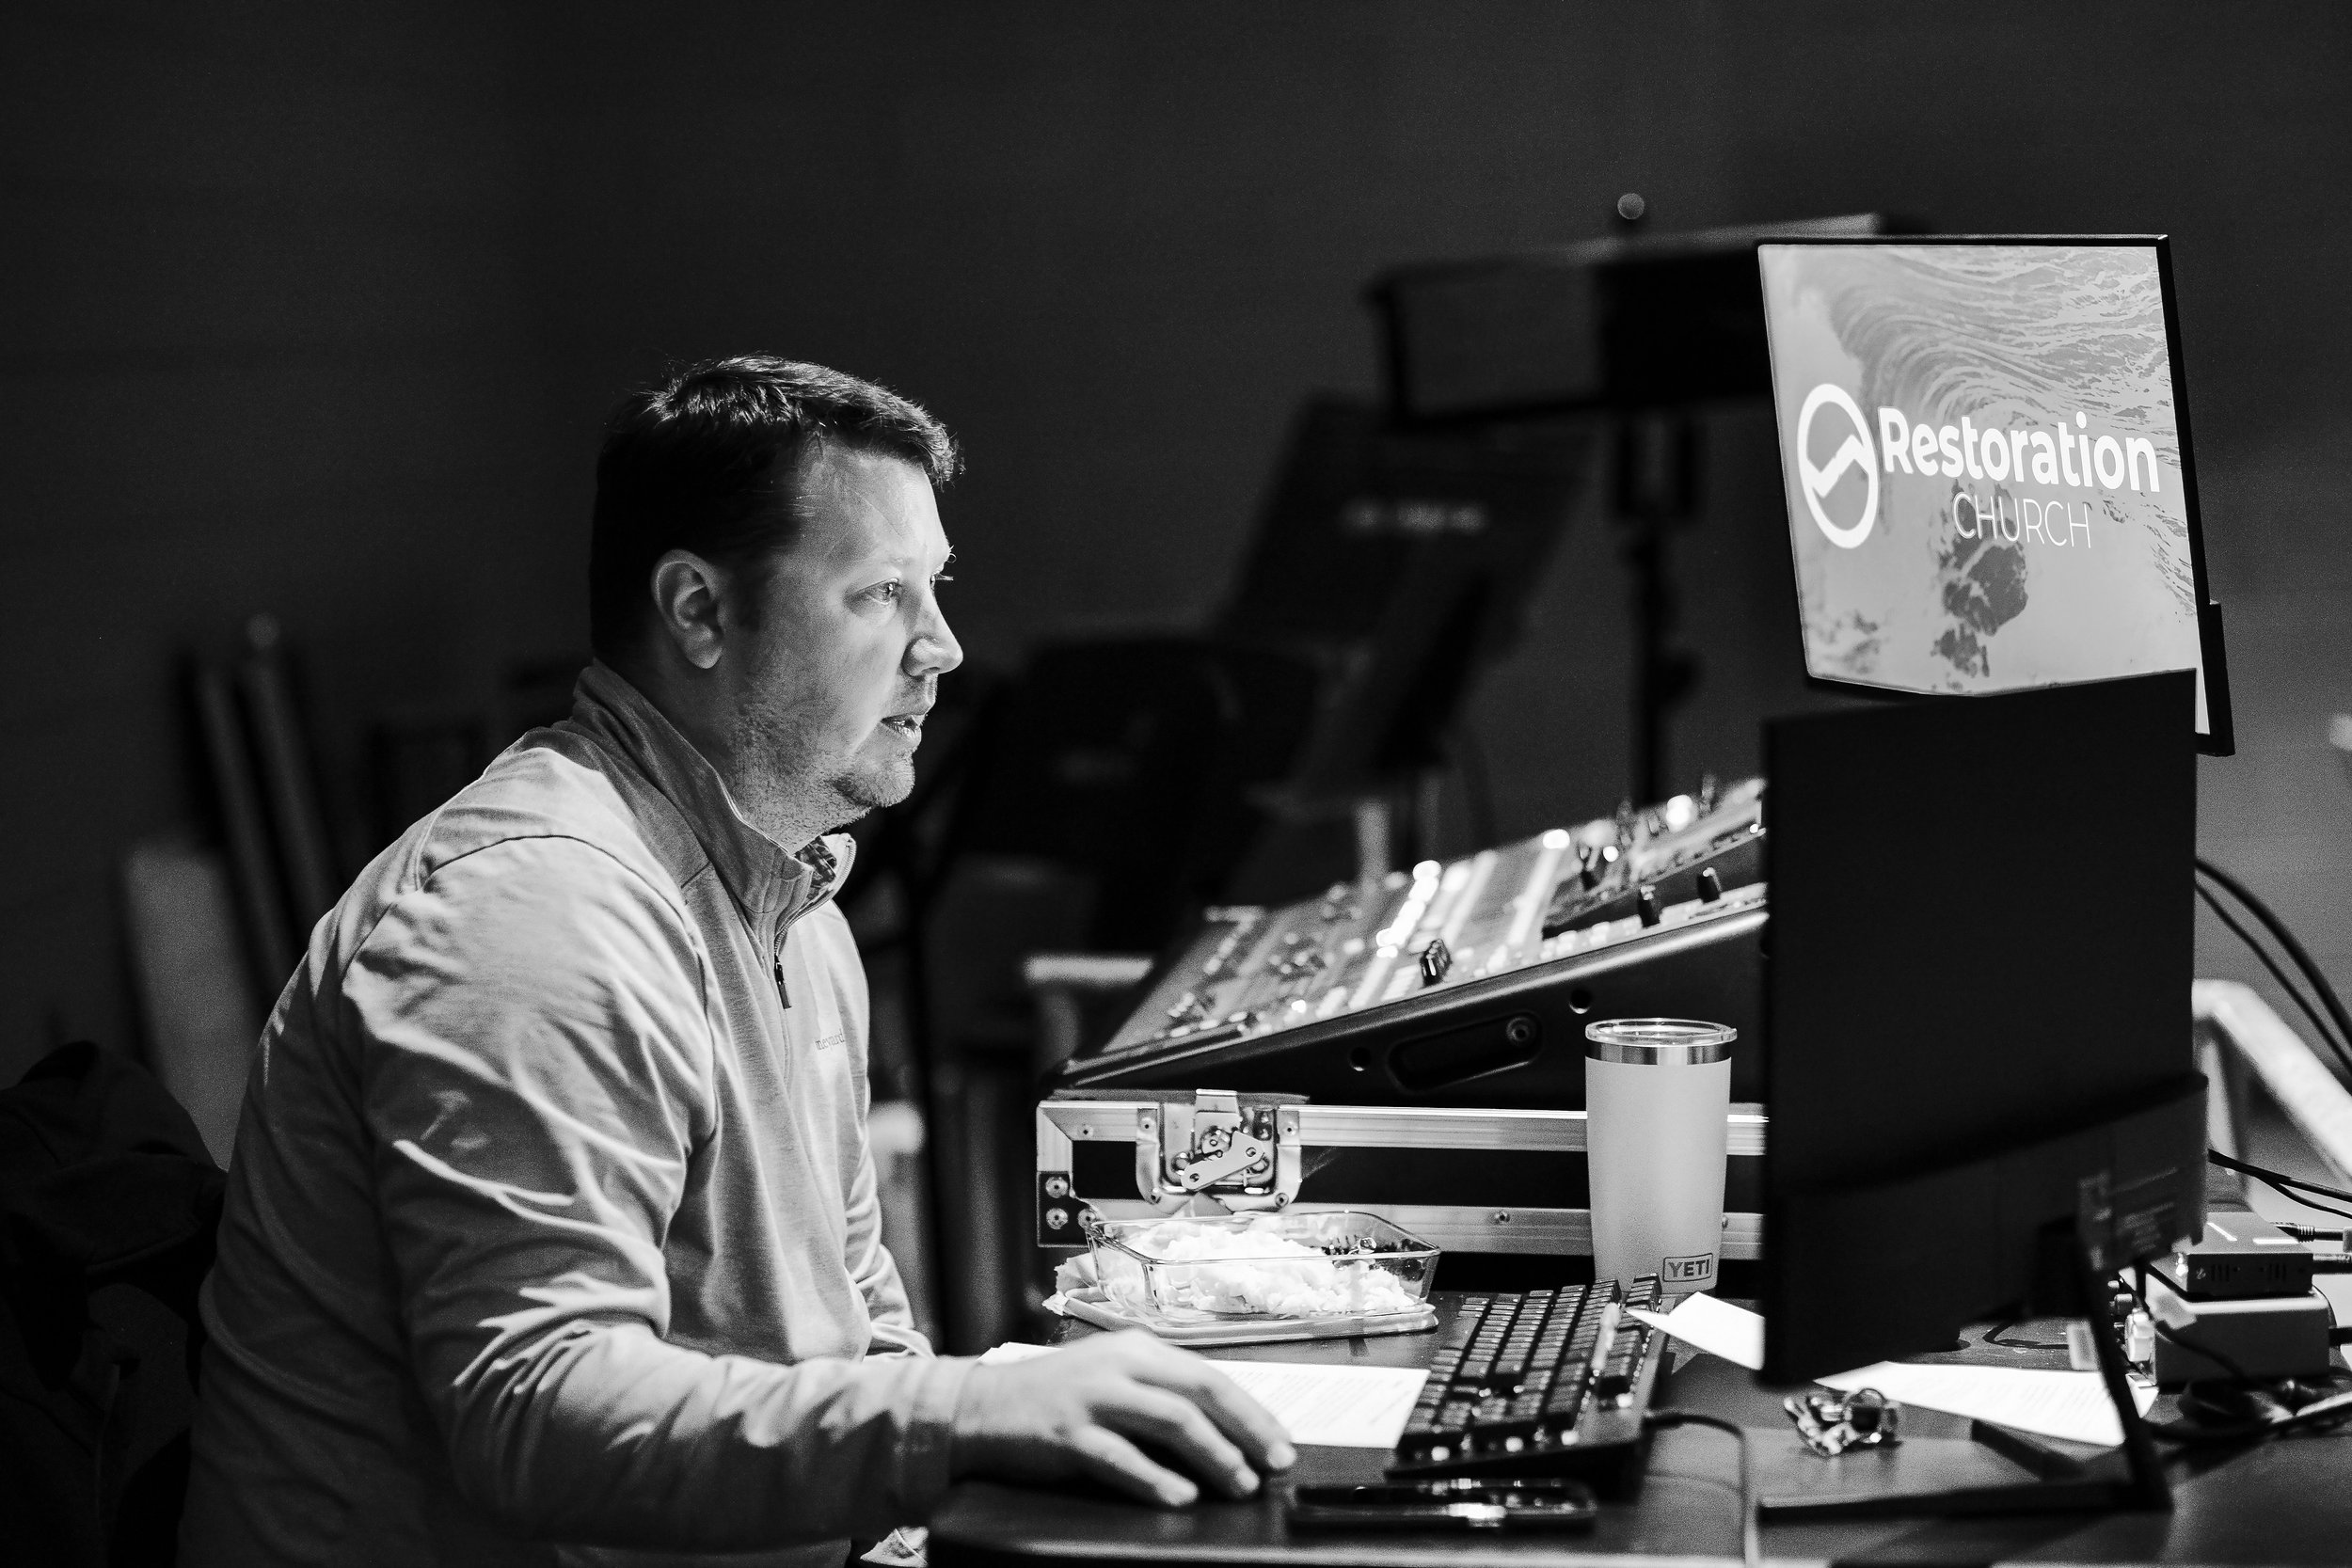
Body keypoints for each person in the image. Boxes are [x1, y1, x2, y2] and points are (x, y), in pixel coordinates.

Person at [180, 356, 1294, 1568]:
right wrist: (961, 1415)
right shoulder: (534, 914)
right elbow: (535, 1411)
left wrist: (941, 1505)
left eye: (935, 589)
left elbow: (859, 1329)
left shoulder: (796, 904)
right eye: (881, 594)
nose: (943, 648)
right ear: (699, 612)